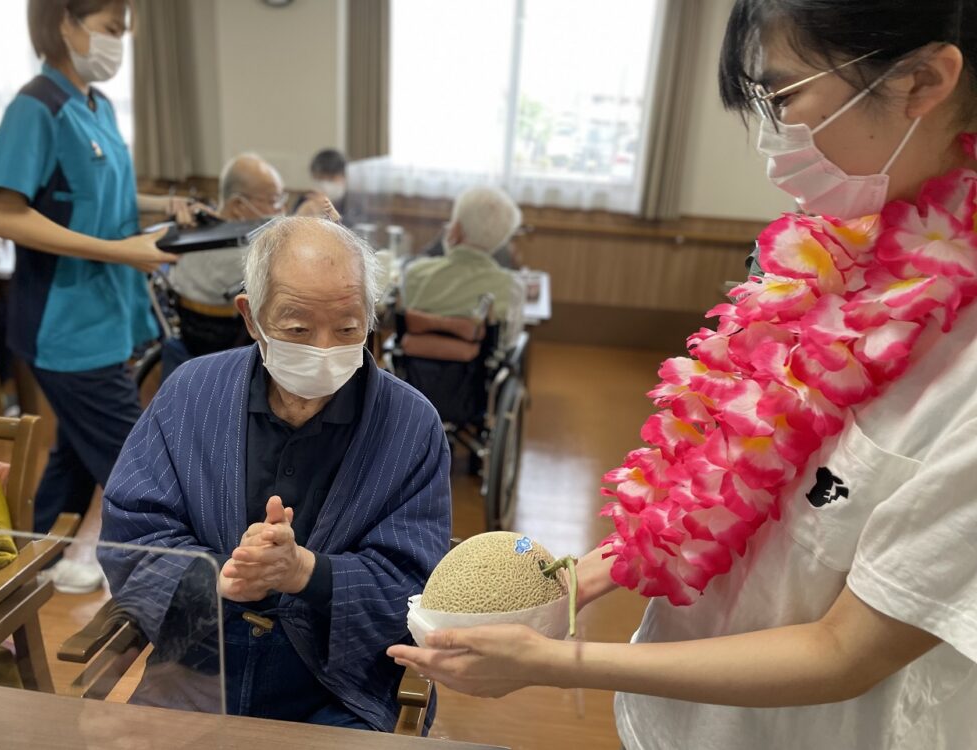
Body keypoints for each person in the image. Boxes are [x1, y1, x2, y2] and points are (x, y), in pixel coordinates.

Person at [389, 2, 977, 748]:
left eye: (785, 95)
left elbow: (848, 651)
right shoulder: (833, 258)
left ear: (923, 79)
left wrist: (558, 661)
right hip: (678, 720)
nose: (771, 133)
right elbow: (719, 484)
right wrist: (580, 581)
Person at [99, 216, 452, 731]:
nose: (325, 348)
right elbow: (131, 538)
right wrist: (220, 574)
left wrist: (306, 572)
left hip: (338, 684)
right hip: (200, 663)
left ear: (372, 319)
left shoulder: (410, 425)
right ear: (250, 315)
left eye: (349, 328)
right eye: (298, 329)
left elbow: (420, 588)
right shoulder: (190, 393)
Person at [0, 0, 198, 594]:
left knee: (71, 467)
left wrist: (162, 210)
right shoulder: (38, 106)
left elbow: (93, 198)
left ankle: (4, 582)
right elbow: (0, 214)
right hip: (65, 326)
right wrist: (125, 250)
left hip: (102, 318)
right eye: (108, 30)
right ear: (64, 25)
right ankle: (186, 601)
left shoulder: (94, 106)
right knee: (143, 472)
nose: (116, 43)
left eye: (122, 31)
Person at [162, 153, 287, 377]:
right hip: (231, 354)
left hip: (185, 343)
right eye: (274, 201)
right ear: (239, 205)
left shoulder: (190, 233)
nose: (281, 210)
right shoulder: (244, 255)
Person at [402, 186, 526, 349]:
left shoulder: (415, 273)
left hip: (412, 370)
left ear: (456, 228)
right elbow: (508, 341)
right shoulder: (512, 286)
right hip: (479, 372)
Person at [294, 148, 348, 218]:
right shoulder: (304, 201)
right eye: (320, 178)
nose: (325, 184)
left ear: (344, 176)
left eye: (331, 178)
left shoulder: (353, 203)